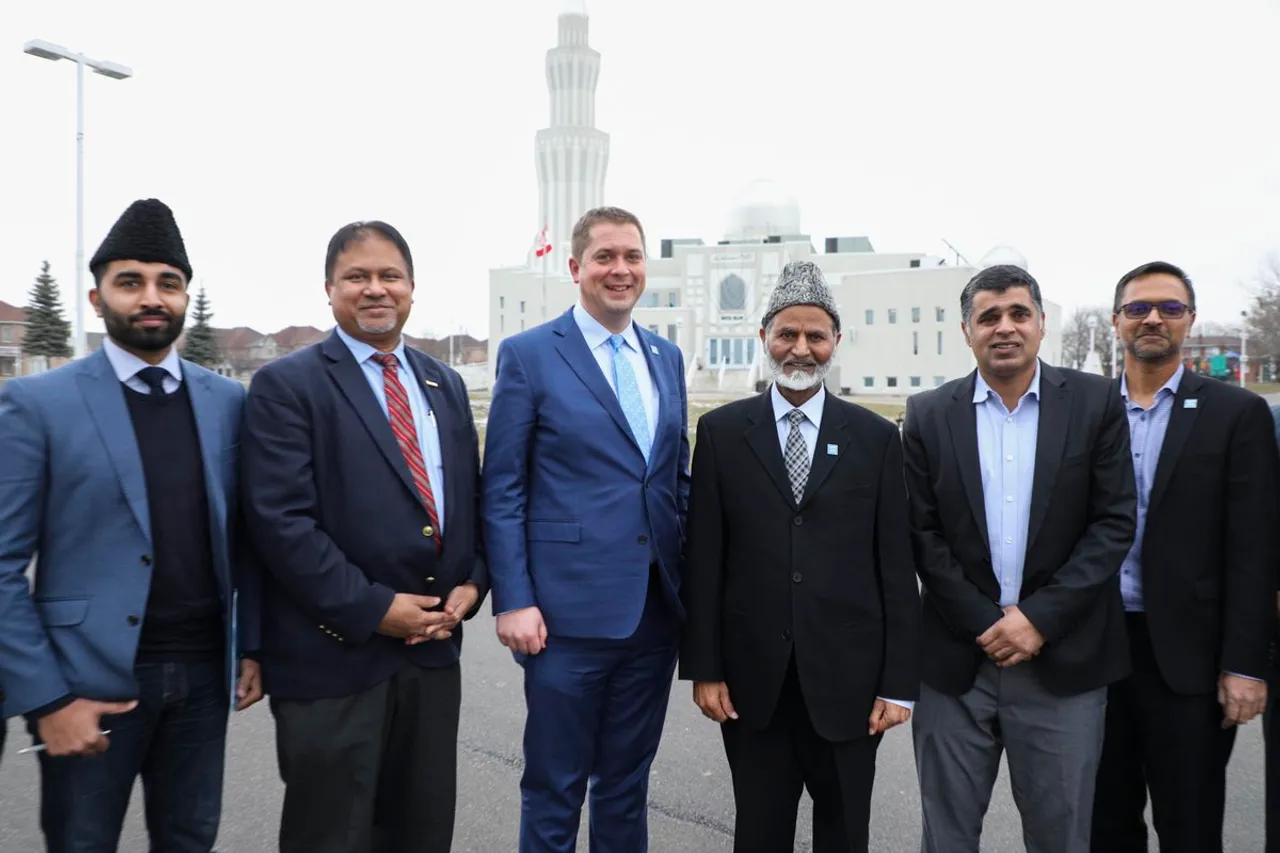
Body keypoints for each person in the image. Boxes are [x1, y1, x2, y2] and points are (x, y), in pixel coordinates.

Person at [0, 198, 262, 853]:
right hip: (87, 684)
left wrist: (251, 643)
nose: (151, 297)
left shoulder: (226, 400)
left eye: (167, 283)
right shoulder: (38, 403)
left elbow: (246, 537)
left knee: (190, 839)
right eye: (131, 281)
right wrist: (49, 699)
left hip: (203, 678)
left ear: (184, 297)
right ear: (97, 297)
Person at [240, 220, 487, 853]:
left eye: (389, 276)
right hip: (334, 661)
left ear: (412, 288)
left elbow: (469, 499)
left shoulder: (444, 383)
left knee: (421, 832)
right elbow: (281, 524)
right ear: (329, 289)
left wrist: (474, 581)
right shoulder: (286, 386)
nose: (375, 289)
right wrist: (376, 610)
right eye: (357, 277)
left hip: (432, 656)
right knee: (334, 836)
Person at [679, 261, 920, 853]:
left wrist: (899, 684)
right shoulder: (721, 433)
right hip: (753, 683)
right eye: (788, 333)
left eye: (816, 335)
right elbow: (705, 559)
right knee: (760, 833)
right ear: (764, 338)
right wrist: (705, 667)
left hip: (851, 685)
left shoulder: (874, 437)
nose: (801, 348)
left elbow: (896, 566)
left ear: (836, 342)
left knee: (844, 833)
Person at [901, 264, 1137, 853]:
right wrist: (985, 621)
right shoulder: (929, 413)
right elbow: (922, 533)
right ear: (966, 330)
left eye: (1018, 314)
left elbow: (1113, 523)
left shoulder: (1094, 402)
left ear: (1040, 323)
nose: (1004, 328)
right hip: (957, 666)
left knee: (1061, 837)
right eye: (989, 317)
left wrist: (1038, 620)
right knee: (947, 837)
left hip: (1064, 663)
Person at [483, 206, 690, 853]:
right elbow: (504, 485)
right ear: (576, 267)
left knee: (627, 784)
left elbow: (673, 479)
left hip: (653, 616)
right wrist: (514, 597)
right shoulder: (530, 355)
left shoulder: (667, 357)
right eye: (605, 257)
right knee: (555, 784)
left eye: (631, 256)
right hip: (564, 620)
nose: (620, 269)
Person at [1086, 261, 1278, 851]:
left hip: (1189, 661)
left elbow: (1254, 548)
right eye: (1138, 308)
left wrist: (1247, 665)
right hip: (1094, 651)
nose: (1153, 318)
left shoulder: (1235, 413)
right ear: (1117, 320)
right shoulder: (1082, 409)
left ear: (1188, 321)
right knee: (1104, 823)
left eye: (1169, 308)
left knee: (1188, 824)